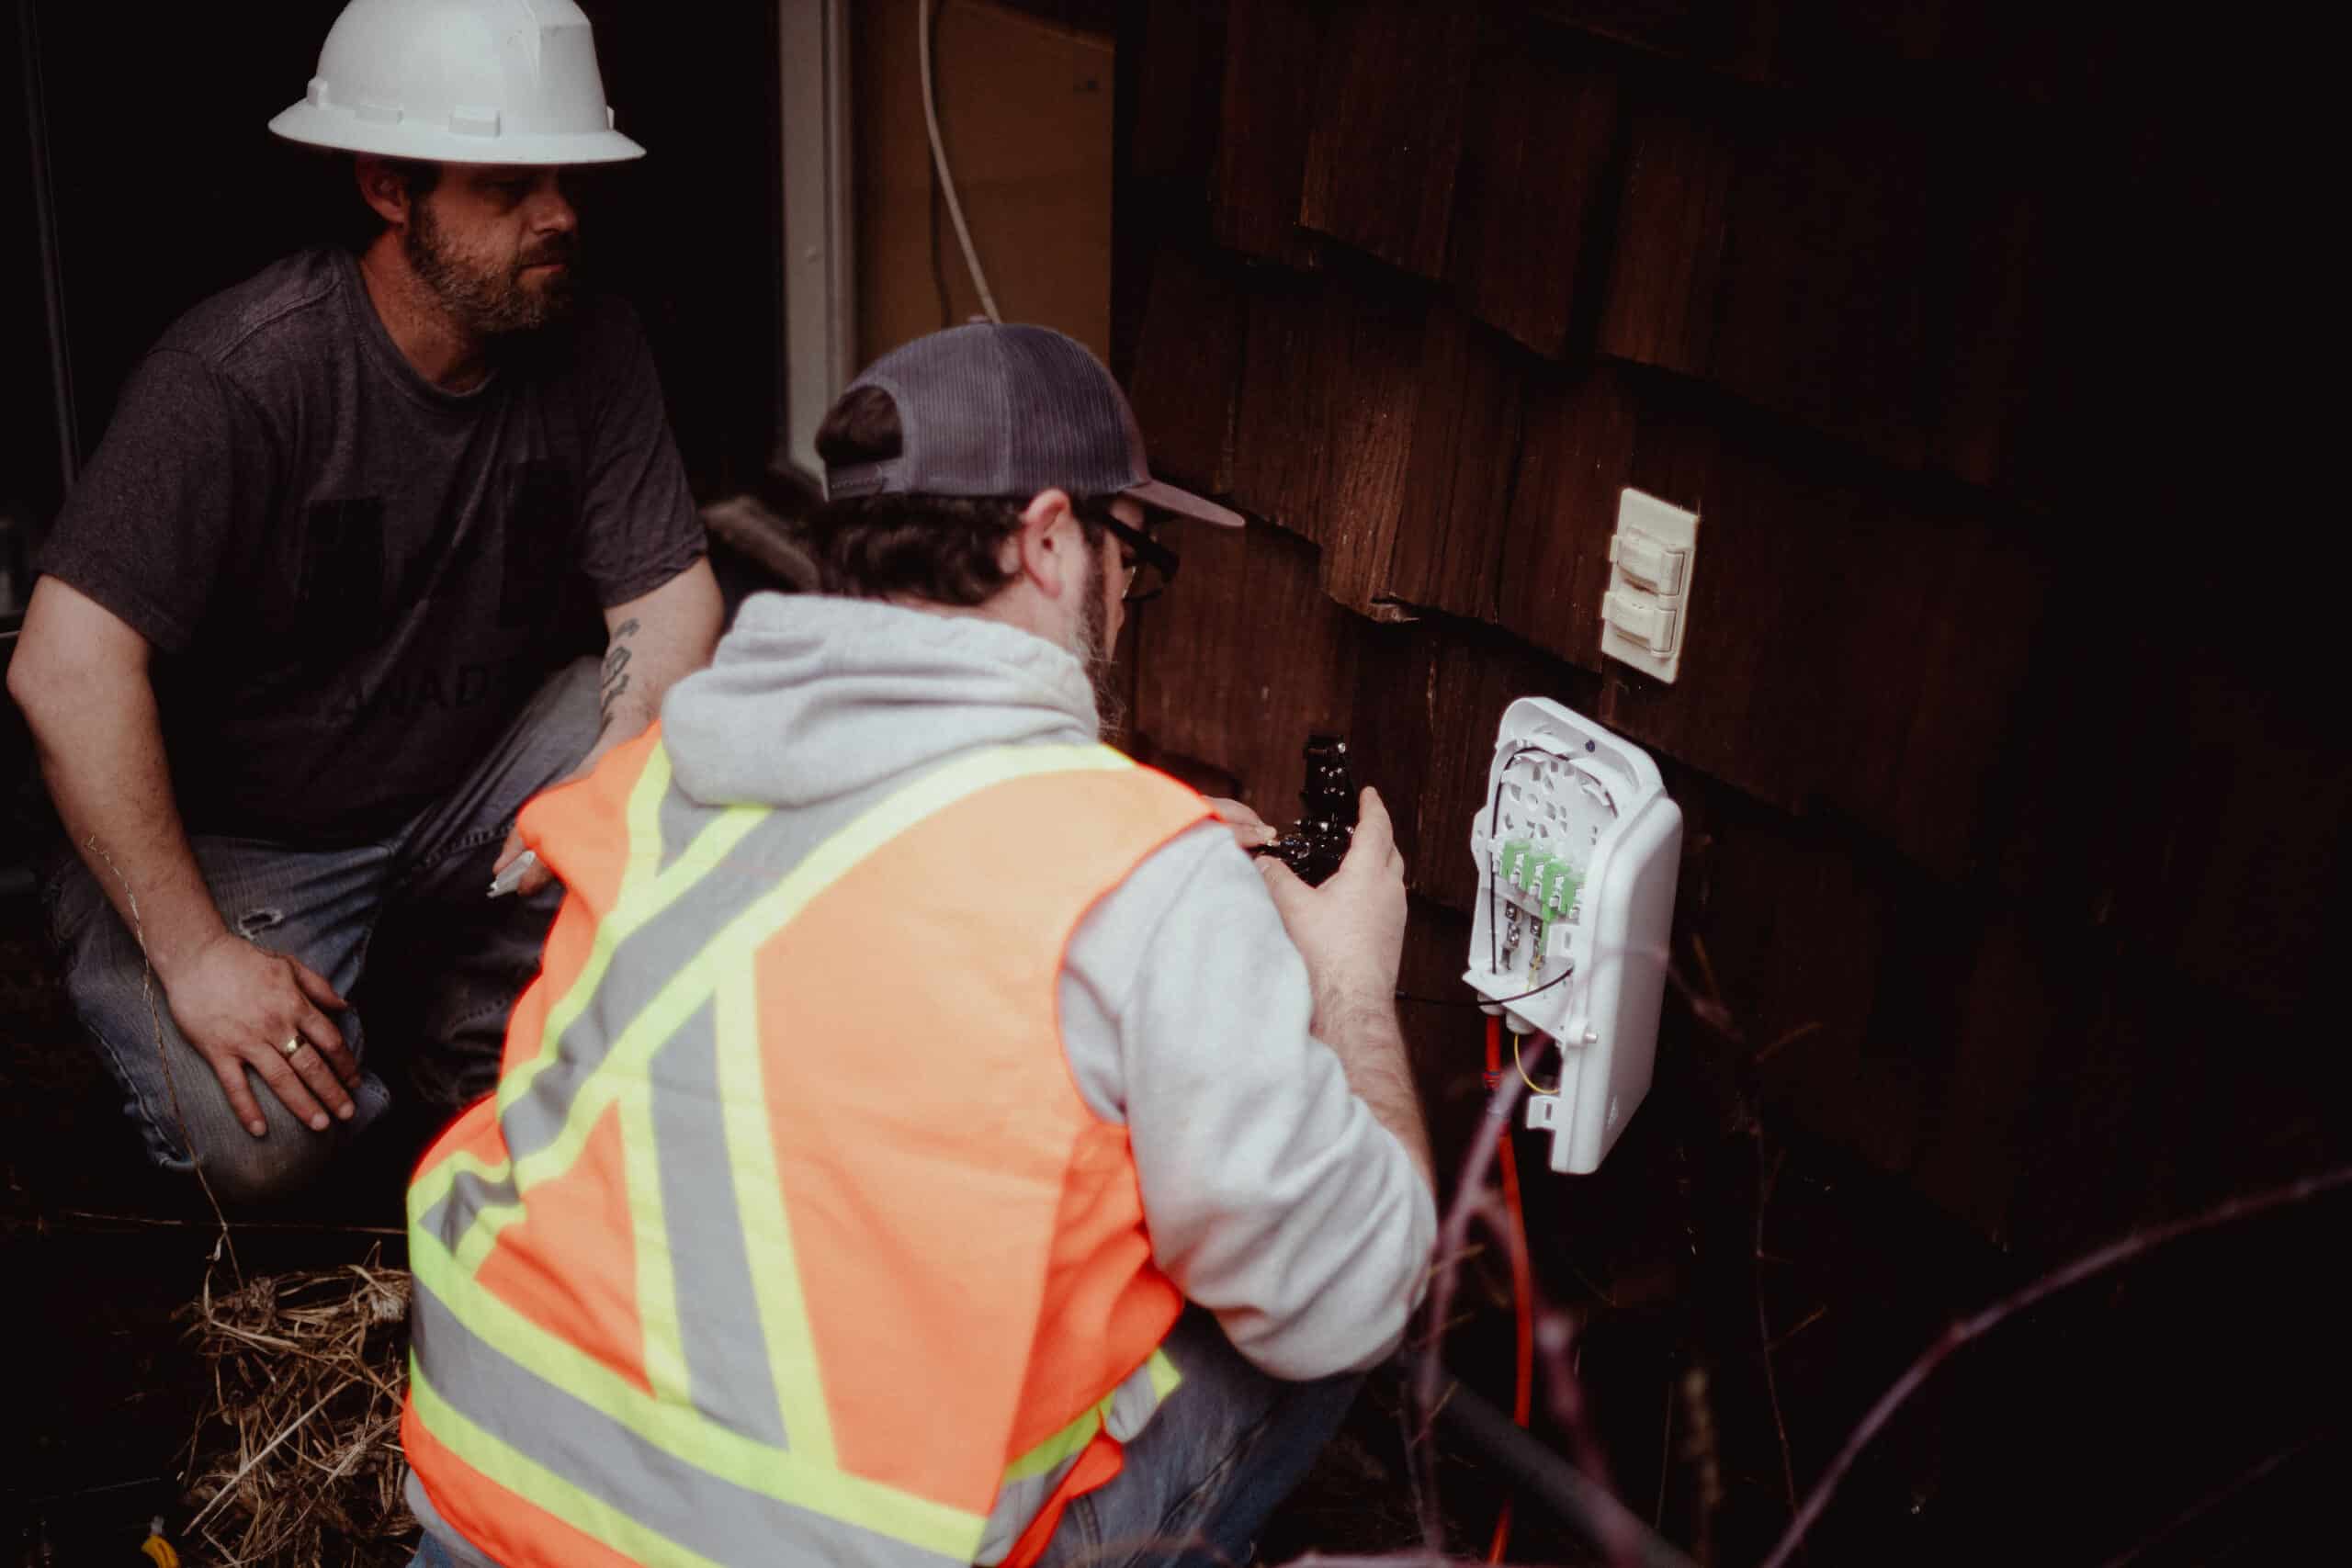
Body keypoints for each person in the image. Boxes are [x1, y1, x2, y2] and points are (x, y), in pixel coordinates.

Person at [399, 322, 1439, 1568]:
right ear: (1051, 538)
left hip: (487, 1503)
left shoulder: (661, 775)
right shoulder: (1134, 865)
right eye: (1133, 556)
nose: (1125, 595)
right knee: (1309, 1254)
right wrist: (1339, 981)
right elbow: (1354, 1289)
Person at [4, 0, 722, 1205]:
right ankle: (275, 996)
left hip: (459, 793)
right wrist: (195, 959)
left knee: (688, 750)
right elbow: (62, 669)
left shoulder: (591, 340)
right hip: (237, 839)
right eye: (510, 185)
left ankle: (458, 1018)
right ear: (390, 189)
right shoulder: (240, 376)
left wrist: (610, 785)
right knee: (264, 1146)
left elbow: (671, 594)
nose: (560, 215)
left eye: (570, 179)